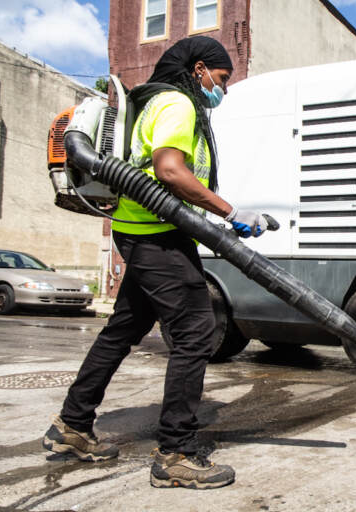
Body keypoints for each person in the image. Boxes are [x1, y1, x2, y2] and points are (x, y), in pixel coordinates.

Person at [42, 36, 264, 490]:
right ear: (200, 70)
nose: (222, 89)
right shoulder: (178, 103)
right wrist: (229, 210)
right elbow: (168, 170)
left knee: (123, 330)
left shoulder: (160, 102)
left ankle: (72, 426)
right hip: (157, 235)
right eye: (222, 79)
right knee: (196, 332)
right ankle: (176, 454)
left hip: (141, 230)